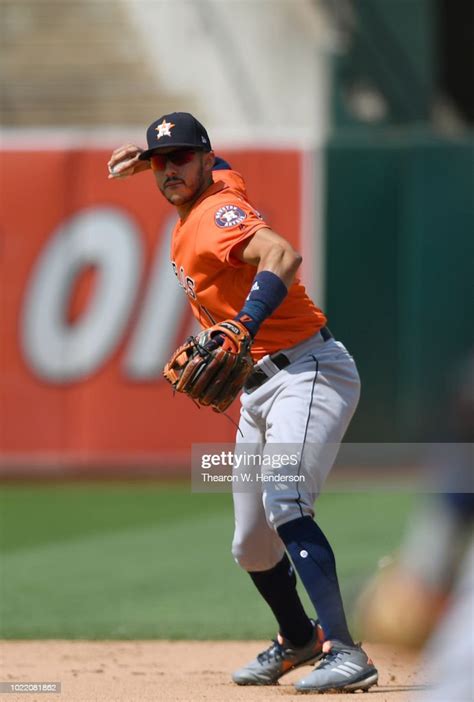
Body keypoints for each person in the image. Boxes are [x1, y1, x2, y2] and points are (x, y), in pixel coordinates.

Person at [107, 112, 378, 694]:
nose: (169, 169)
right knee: (252, 544)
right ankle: (298, 639)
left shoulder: (217, 216)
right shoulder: (217, 185)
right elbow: (211, 173)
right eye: (160, 161)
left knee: (286, 500)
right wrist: (146, 160)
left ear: (206, 157)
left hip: (308, 374)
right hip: (257, 390)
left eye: (181, 157)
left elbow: (282, 254)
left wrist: (242, 326)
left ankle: (346, 651)